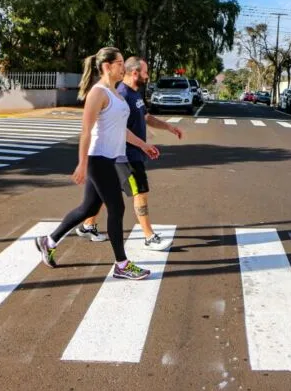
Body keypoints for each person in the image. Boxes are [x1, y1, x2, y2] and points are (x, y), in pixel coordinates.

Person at [35, 47, 158, 279]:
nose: (124, 67)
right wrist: (82, 164)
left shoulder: (116, 94)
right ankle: (121, 265)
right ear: (107, 66)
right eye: (120, 63)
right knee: (117, 207)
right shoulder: (98, 93)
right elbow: (86, 131)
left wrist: (143, 145)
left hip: (111, 158)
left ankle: (48, 241)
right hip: (98, 159)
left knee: (89, 208)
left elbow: (121, 129)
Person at [75, 57, 183, 251]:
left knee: (103, 194)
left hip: (127, 153)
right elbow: (117, 128)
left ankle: (87, 225)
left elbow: (146, 117)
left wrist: (168, 126)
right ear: (135, 73)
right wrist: (142, 145)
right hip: (126, 155)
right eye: (145, 72)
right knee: (140, 192)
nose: (148, 75)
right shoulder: (121, 94)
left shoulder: (135, 94)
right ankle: (149, 237)